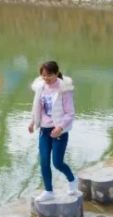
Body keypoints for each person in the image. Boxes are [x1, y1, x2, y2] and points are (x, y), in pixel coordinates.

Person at [28, 61, 77, 201]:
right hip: (44, 130)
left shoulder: (64, 89)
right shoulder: (40, 87)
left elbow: (70, 113)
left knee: (57, 162)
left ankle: (72, 180)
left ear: (56, 73)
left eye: (49, 75)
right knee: (43, 161)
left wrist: (60, 127)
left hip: (59, 131)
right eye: (43, 75)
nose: (46, 78)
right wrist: (32, 122)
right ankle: (49, 191)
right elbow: (37, 108)